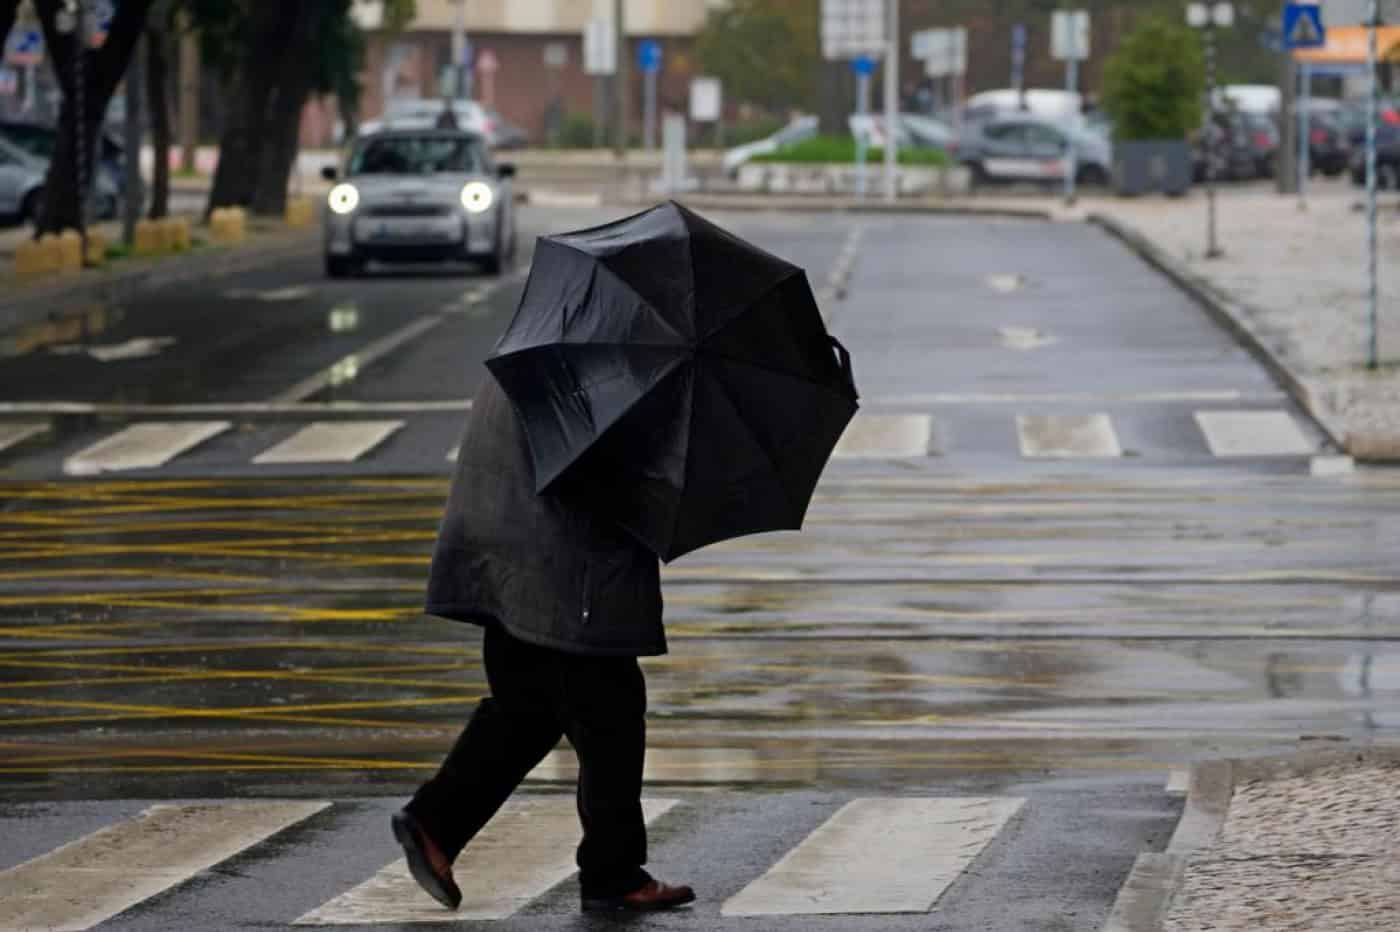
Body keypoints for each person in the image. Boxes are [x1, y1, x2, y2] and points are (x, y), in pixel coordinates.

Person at [390, 374, 696, 914]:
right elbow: (607, 474)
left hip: (507, 551)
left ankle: (436, 823)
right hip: (562, 569)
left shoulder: (550, 350)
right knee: (611, 715)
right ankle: (613, 874)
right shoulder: (601, 372)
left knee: (527, 708)